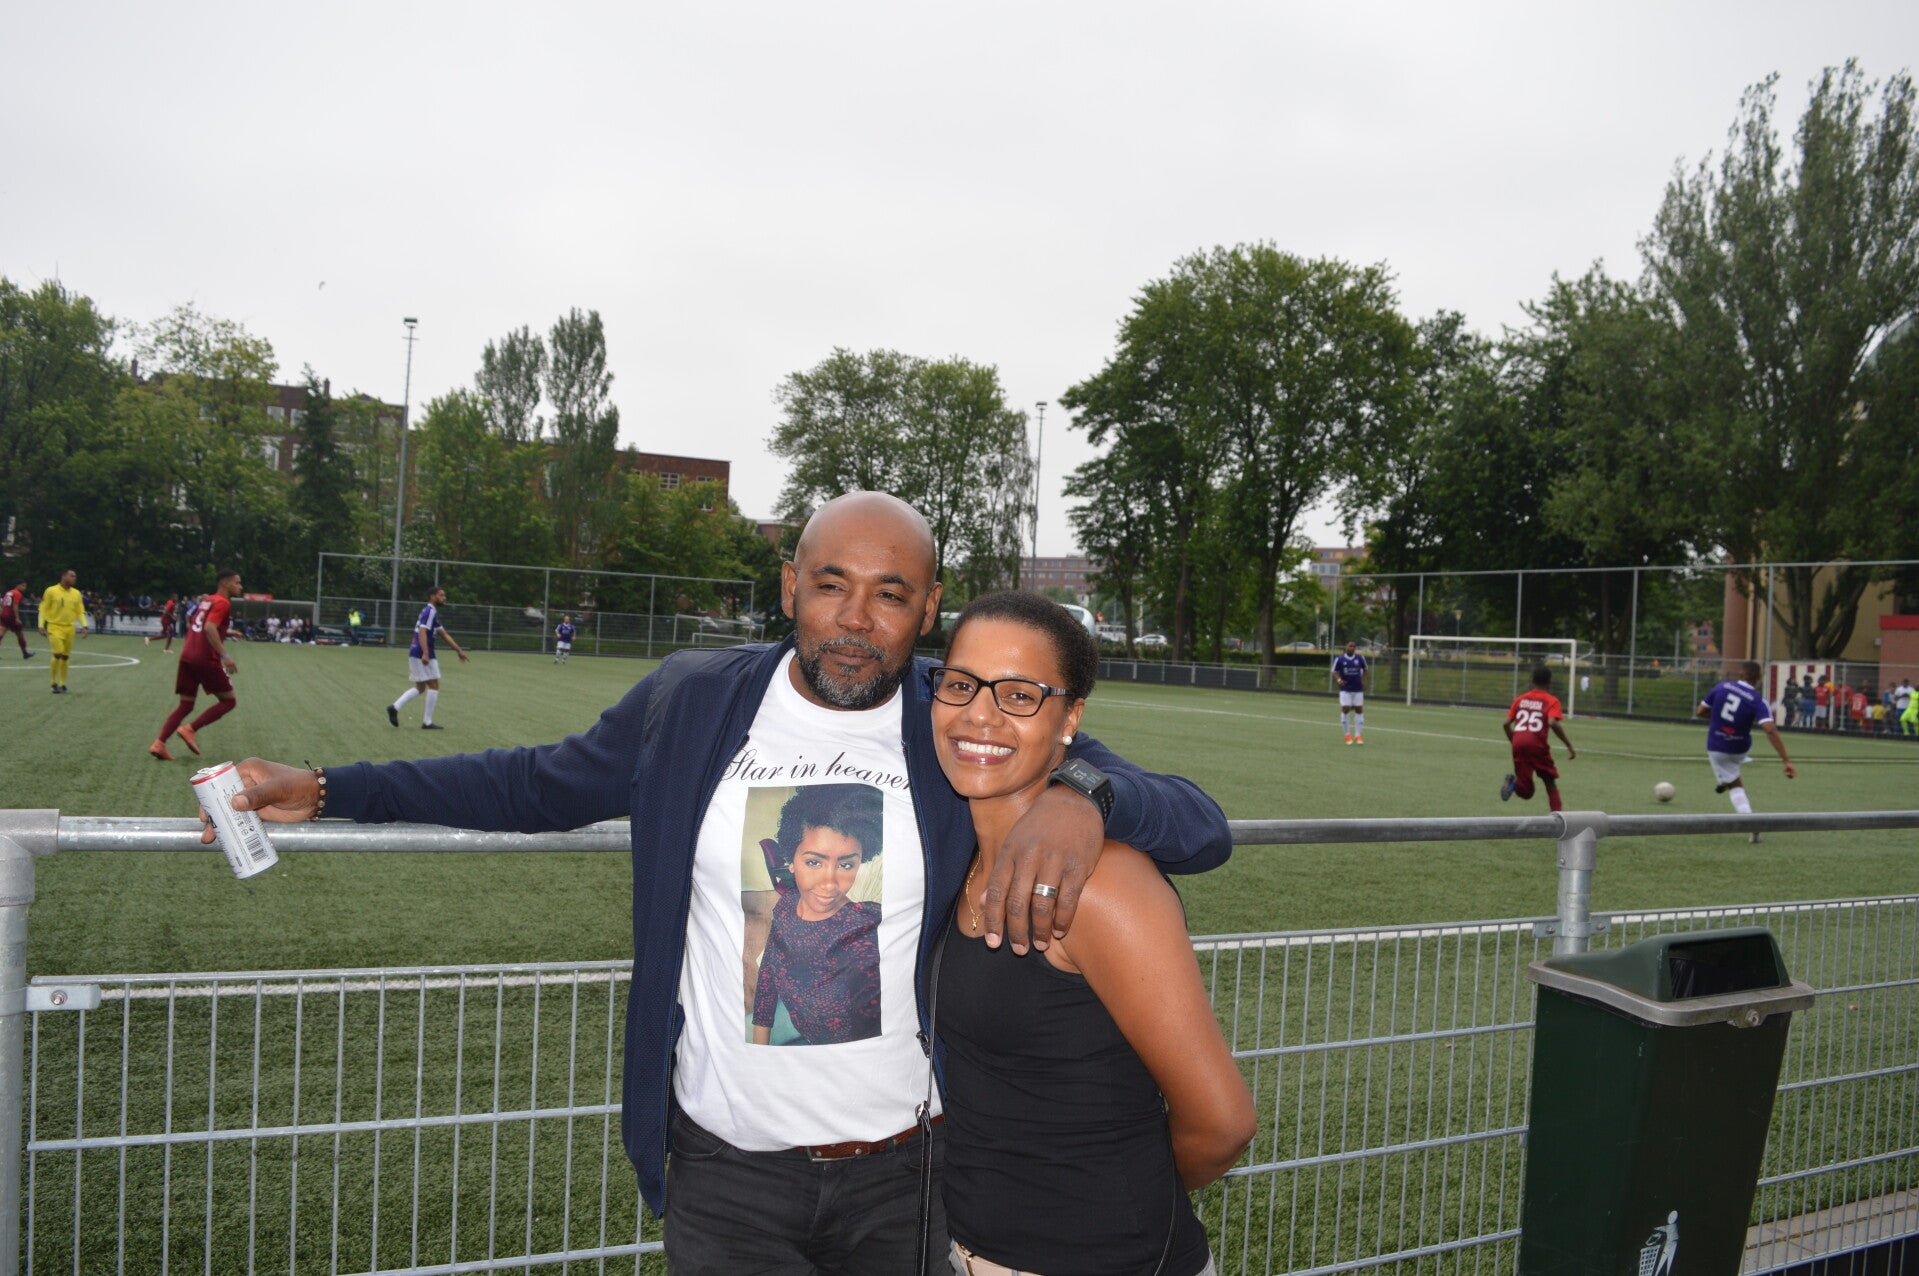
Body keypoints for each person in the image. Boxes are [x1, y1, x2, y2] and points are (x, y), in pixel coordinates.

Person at [199, 491, 1232, 1274]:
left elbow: (1194, 819)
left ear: (927, 608)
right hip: (724, 1176)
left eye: (890, 594)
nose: (855, 618)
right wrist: (330, 787)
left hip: (911, 1175)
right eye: (830, 584)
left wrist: (1084, 795)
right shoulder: (693, 700)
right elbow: (534, 782)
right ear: (789, 587)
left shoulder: (957, 714)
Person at [931, 591, 1253, 1276]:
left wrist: (1111, 1192)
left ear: (1070, 717)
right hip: (970, 1250)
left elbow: (1222, 1124)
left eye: (1020, 695)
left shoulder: (1104, 884)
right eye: (960, 685)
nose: (980, 713)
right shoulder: (957, 857)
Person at [750, 784, 884, 1047]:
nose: (829, 883)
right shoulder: (785, 906)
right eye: (814, 862)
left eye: (846, 864)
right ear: (791, 861)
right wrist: (758, 1049)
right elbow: (769, 972)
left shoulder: (867, 928)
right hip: (799, 1038)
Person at [1697, 660, 1796, 843]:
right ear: (1758, 678)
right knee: (1733, 762)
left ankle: (1751, 823)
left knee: (1734, 785)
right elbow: (1770, 730)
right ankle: (1730, 772)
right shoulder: (1758, 700)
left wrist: (1719, 718)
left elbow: (1701, 711)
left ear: (1741, 674)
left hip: (1717, 746)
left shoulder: (1721, 687)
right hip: (1740, 747)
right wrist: (1786, 761)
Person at [150, 570, 244, 761]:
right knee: (229, 701)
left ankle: (159, 743)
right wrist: (225, 655)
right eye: (237, 583)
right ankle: (190, 729)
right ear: (225, 584)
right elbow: (209, 628)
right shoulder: (223, 602)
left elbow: (201, 625)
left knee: (186, 704)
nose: (240, 587)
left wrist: (228, 632)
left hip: (187, 655)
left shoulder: (208, 600)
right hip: (205, 658)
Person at [386, 587, 469, 729]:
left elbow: (444, 635)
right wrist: (425, 653)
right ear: (432, 596)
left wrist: (459, 650)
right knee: (434, 685)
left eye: (444, 595)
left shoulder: (431, 613)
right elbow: (422, 631)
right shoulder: (430, 611)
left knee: (420, 687)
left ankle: (394, 707)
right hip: (423, 652)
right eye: (441, 595)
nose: (444, 598)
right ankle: (427, 722)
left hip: (416, 651)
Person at [1500, 666, 1575, 811]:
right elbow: (1552, 722)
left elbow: (1505, 724)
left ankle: (1512, 785)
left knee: (1526, 792)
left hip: (1518, 744)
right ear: (1550, 682)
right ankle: (1558, 817)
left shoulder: (1520, 699)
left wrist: (1514, 741)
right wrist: (1568, 745)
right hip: (1537, 746)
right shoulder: (1552, 701)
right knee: (1549, 782)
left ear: (1532, 680)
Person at [38, 569, 87, 694]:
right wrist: (41, 624)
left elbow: (80, 611)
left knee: (65, 657)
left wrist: (84, 626)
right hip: (55, 626)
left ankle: (63, 684)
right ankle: (53, 682)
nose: (74, 578)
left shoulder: (76, 593)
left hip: (70, 628)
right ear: (64, 576)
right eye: (72, 576)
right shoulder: (51, 591)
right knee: (58, 653)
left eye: (75, 576)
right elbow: (43, 609)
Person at [1331, 639, 1369, 744]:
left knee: (1359, 709)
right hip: (1345, 689)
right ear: (1346, 646)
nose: (1352, 648)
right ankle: (1347, 734)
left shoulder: (1360, 658)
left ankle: (1358, 735)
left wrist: (1364, 681)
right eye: (1350, 646)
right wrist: (1339, 680)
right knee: (1346, 708)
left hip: (1358, 689)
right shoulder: (1340, 659)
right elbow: (1334, 671)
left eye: (1353, 646)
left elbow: (1366, 670)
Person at [0, 580, 32, 659]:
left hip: (3, 615)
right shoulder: (17, 593)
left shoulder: (9, 592)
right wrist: (17, 618)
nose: (25, 588)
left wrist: (3, 611)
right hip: (11, 616)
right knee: (20, 634)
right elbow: (15, 605)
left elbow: (2, 603)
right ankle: (25, 653)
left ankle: (25, 653)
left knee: (1, 633)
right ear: (18, 585)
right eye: (23, 586)